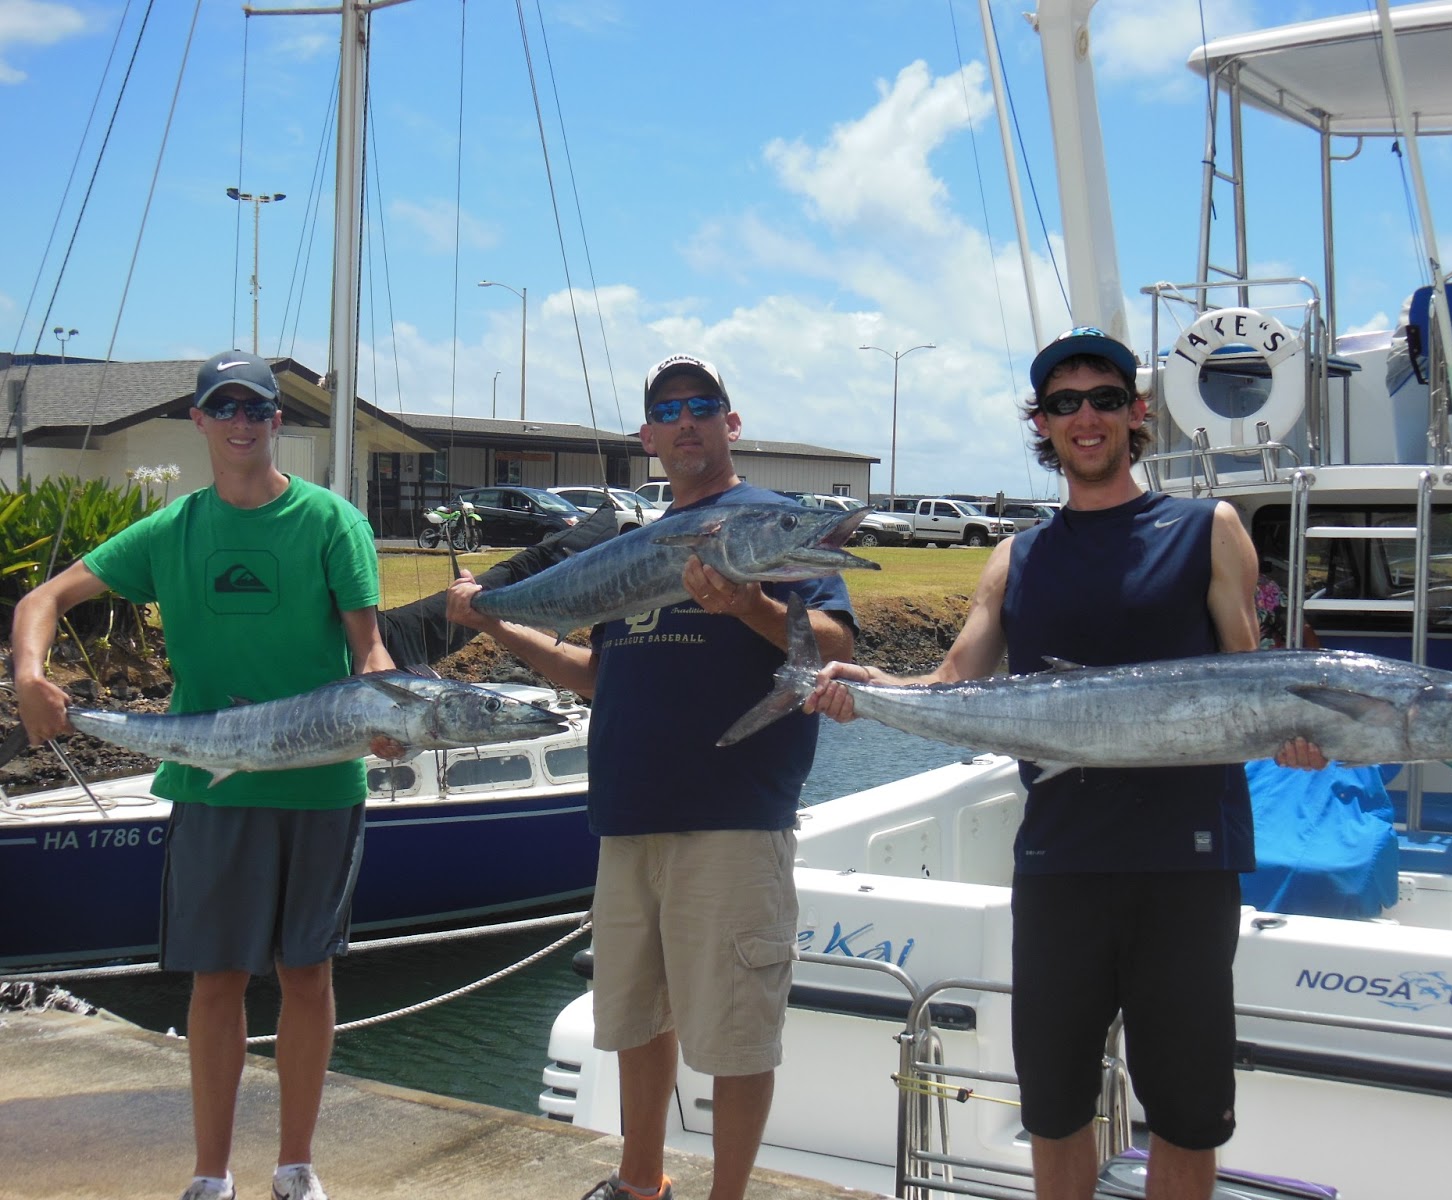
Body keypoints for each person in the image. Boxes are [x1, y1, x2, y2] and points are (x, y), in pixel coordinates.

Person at [807, 327, 1324, 1200]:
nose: (1086, 417)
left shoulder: (1208, 529)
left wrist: (1296, 734)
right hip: (1061, 863)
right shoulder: (1016, 557)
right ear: (1041, 423)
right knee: (1053, 1104)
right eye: (1063, 403)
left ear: (1136, 414)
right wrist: (870, 685)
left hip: (1188, 863)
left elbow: (1250, 676)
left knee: (1189, 1111)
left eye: (1105, 398)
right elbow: (953, 680)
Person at [445, 353, 857, 1200]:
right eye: (668, 411)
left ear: (731, 424)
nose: (685, 422)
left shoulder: (774, 523)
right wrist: (491, 621)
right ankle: (641, 1182)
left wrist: (744, 602)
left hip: (733, 815)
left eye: (703, 406)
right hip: (626, 814)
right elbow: (599, 675)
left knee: (737, 1032)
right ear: (647, 437)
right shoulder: (633, 548)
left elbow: (836, 649)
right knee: (634, 1019)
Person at [12, 350, 397, 1200]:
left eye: (256, 408)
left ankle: (296, 1166)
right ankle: (211, 1175)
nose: (241, 422)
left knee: (308, 975)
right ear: (199, 420)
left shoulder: (334, 522)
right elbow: (38, 603)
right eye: (224, 407)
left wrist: (388, 712)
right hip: (210, 782)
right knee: (216, 980)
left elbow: (369, 648)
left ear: (276, 421)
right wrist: (31, 676)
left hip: (321, 785)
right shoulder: (171, 530)